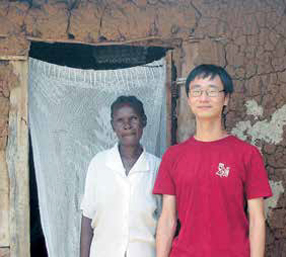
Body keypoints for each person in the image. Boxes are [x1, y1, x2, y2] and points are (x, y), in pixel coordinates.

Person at [153, 64, 272, 257]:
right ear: (189, 99)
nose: (203, 98)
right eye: (197, 91)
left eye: (212, 91)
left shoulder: (247, 154)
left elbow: (257, 219)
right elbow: (167, 218)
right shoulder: (173, 156)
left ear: (226, 98)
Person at [80, 95, 161, 257]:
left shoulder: (157, 167)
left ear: (143, 121)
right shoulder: (99, 164)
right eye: (120, 120)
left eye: (133, 119)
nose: (127, 126)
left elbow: (166, 221)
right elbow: (87, 218)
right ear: (112, 125)